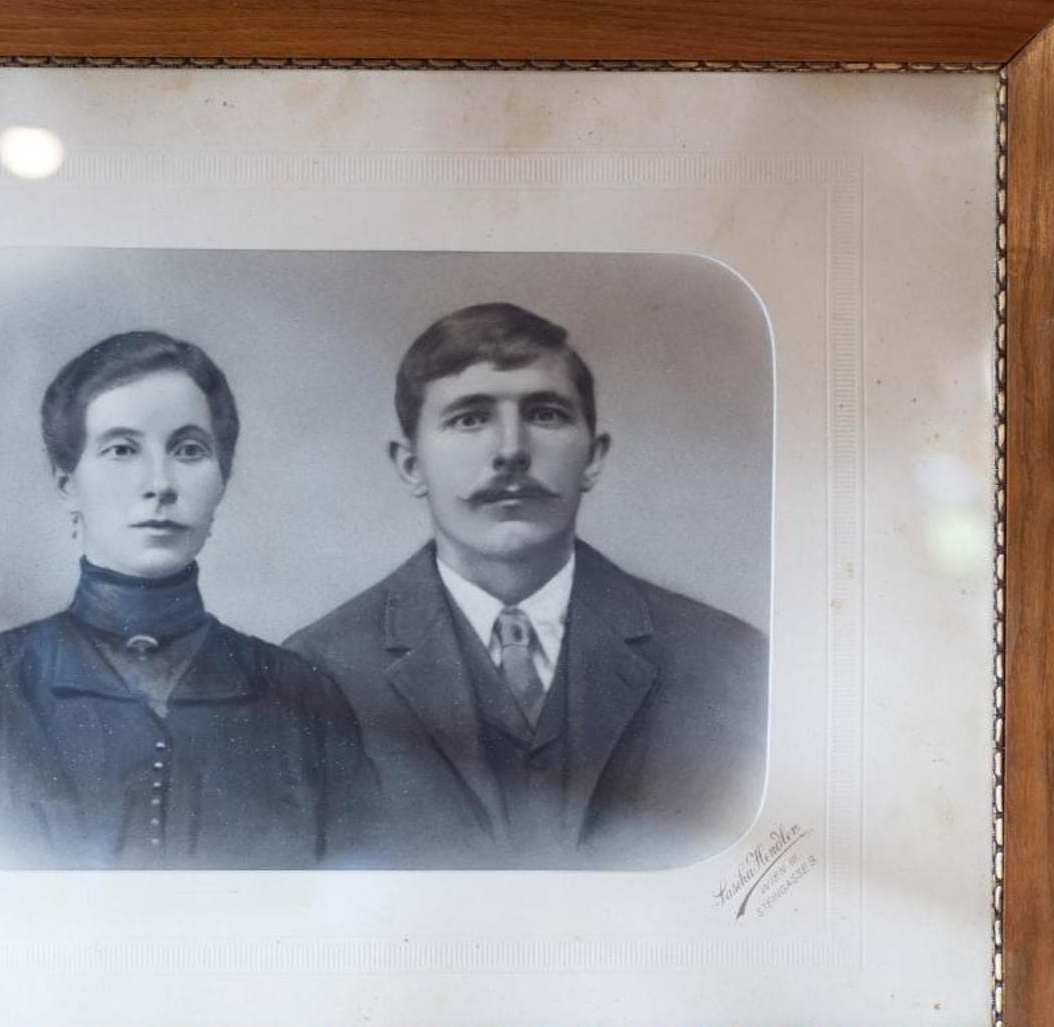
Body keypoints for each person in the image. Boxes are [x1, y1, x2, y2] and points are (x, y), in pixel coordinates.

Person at [287, 302, 767, 869]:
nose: (511, 450)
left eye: (545, 414)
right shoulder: (317, 674)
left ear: (593, 458)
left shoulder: (728, 662)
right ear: (411, 466)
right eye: (469, 419)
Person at [0, 329, 373, 869]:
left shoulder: (307, 702)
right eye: (121, 449)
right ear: (67, 484)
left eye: (189, 450)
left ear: (222, 478)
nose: (160, 483)